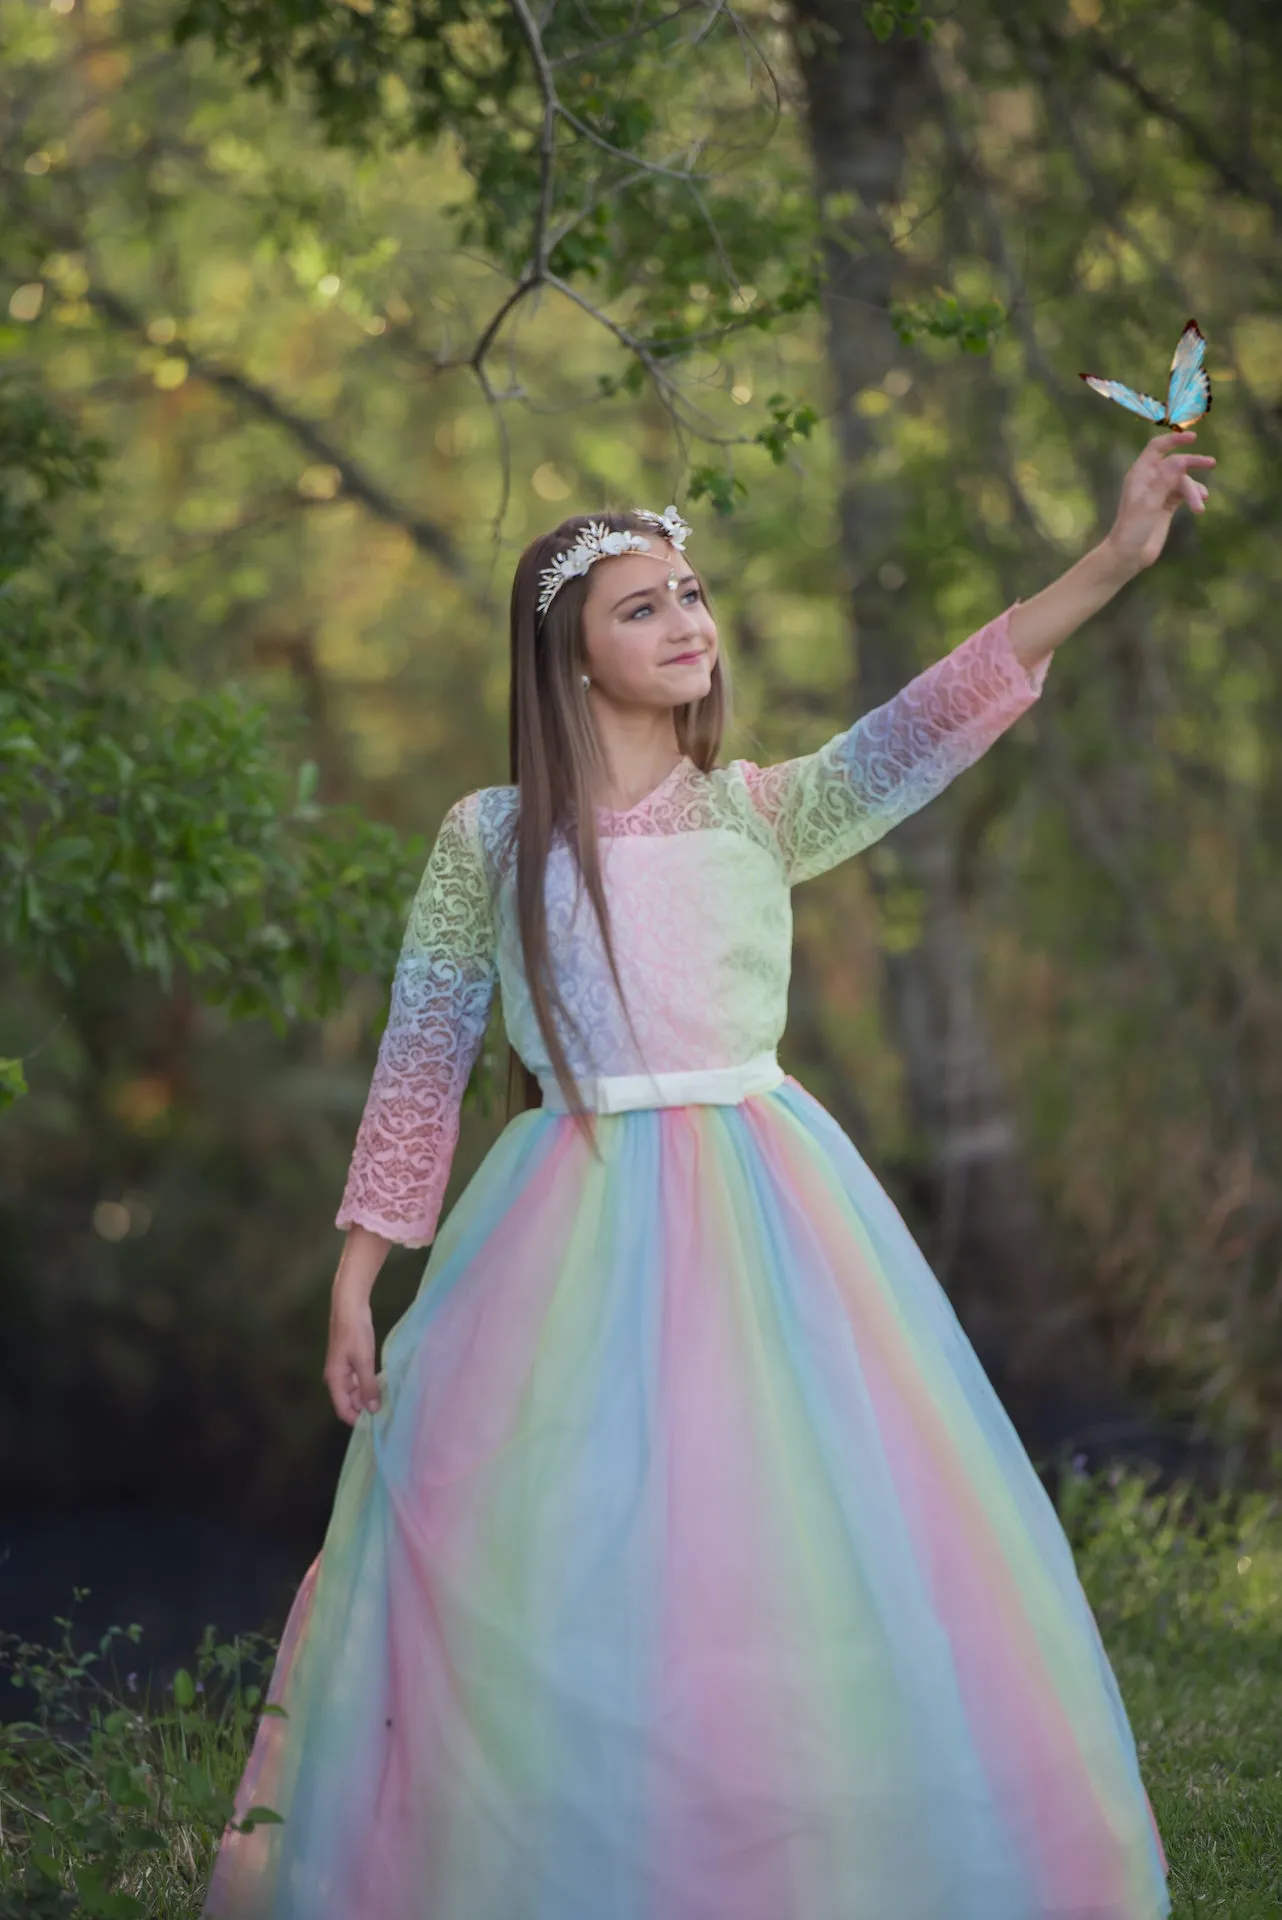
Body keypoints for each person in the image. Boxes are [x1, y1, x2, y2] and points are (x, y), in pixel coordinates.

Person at [203, 432, 1213, 1920]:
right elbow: (423, 1053)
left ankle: (808, 1840)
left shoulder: (758, 808)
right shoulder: (489, 838)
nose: (688, 622)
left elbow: (930, 714)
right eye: (641, 606)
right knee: (561, 1548)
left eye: (692, 594)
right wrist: (360, 1271)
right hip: (567, 1220)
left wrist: (1113, 559)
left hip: (771, 1218)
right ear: (568, 652)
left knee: (781, 1534)